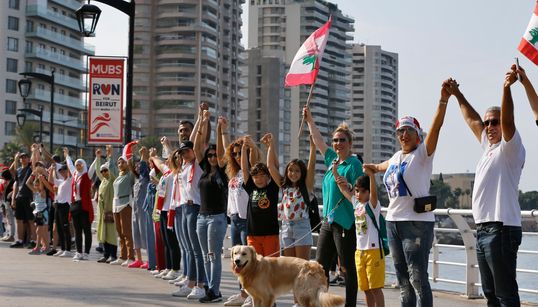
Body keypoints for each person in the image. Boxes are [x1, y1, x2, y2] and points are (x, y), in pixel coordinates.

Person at [364, 80, 450, 307]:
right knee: (403, 280)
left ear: (417, 134)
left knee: (418, 277)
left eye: (408, 131)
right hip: (393, 223)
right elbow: (385, 166)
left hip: (417, 223)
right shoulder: (395, 157)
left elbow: (437, 127)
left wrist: (443, 100)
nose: (403, 135)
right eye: (400, 131)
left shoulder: (422, 154)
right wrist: (373, 167)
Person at [447, 67, 525, 306]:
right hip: (483, 230)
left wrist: (506, 88)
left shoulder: (510, 148)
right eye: (488, 122)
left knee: (505, 295)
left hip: (501, 229)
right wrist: (457, 95)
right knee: (491, 295)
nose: (489, 126)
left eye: (495, 122)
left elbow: (509, 118)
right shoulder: (488, 148)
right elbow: (472, 119)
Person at [304, 106, 362, 307]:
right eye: (335, 140)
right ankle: (322, 303)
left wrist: (347, 185)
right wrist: (310, 120)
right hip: (328, 222)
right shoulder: (332, 160)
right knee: (319, 267)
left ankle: (350, 305)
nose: (338, 143)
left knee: (346, 268)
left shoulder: (353, 164)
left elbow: (358, 194)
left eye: (342, 140)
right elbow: (319, 141)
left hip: (345, 222)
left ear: (350, 143)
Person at [334, 165, 385, 307]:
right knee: (366, 289)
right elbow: (344, 189)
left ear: (368, 192)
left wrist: (371, 176)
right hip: (360, 252)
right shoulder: (357, 205)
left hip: (373, 251)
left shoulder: (373, 206)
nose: (358, 194)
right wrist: (335, 172)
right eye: (357, 190)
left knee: (375, 288)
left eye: (363, 191)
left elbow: (374, 194)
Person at [261, 132, 316, 260]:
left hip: (301, 226)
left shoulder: (306, 187)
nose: (293, 173)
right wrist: (271, 146)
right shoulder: (284, 186)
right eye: (291, 170)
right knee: (290, 267)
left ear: (302, 173)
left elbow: (312, 165)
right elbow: (270, 167)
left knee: (301, 266)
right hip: (286, 226)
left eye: (297, 171)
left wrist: (313, 147)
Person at [241, 136, 280, 257]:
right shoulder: (251, 188)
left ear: (268, 177)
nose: (259, 179)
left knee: (272, 266)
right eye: (256, 176)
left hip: (270, 234)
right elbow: (244, 169)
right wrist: (243, 149)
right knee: (256, 267)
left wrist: (271, 146)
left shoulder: (273, 188)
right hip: (253, 234)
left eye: (262, 175)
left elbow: (273, 166)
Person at [66, 153, 93, 261]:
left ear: (84, 165)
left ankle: (86, 252)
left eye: (80, 165)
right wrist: (67, 155)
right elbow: (70, 166)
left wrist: (98, 157)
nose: (78, 166)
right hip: (75, 205)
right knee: (77, 230)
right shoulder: (75, 175)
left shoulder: (87, 175)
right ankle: (78, 252)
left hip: (84, 205)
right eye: (77, 165)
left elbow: (93, 167)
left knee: (86, 230)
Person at [110, 153, 136, 266]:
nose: (120, 164)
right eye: (119, 163)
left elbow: (133, 169)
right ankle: (122, 255)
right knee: (120, 232)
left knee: (127, 232)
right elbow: (111, 168)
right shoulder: (118, 176)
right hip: (116, 205)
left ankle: (131, 257)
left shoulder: (129, 175)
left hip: (125, 204)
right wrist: (110, 155)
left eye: (123, 162)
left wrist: (130, 161)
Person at [94, 146, 118, 263]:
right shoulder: (103, 180)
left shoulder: (113, 179)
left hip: (111, 211)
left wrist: (110, 155)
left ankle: (113, 255)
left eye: (106, 170)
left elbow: (112, 168)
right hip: (103, 212)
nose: (103, 172)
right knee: (103, 234)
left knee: (111, 234)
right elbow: (97, 170)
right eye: (103, 171)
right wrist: (98, 158)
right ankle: (106, 255)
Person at [9, 152, 35, 248]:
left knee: (30, 220)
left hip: (28, 196)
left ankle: (33, 241)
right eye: (22, 158)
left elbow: (35, 162)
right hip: (19, 197)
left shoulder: (30, 168)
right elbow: (12, 171)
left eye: (25, 157)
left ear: (29, 159)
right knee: (19, 220)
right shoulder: (19, 170)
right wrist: (15, 159)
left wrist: (34, 151)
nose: (23, 159)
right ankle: (20, 241)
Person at [48, 157, 73, 258]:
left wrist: (67, 156)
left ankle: (68, 250)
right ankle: (63, 248)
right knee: (59, 228)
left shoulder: (70, 180)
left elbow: (71, 168)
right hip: (58, 205)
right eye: (61, 171)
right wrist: (53, 169)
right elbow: (51, 179)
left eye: (64, 171)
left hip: (65, 206)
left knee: (65, 228)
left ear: (67, 171)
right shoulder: (61, 181)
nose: (62, 173)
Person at [26, 171, 50, 254]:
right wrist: (32, 174)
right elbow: (27, 183)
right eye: (35, 185)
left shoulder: (42, 192)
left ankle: (37, 248)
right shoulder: (35, 191)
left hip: (42, 213)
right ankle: (46, 247)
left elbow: (41, 187)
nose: (36, 186)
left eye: (37, 185)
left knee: (39, 231)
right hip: (37, 213)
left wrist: (40, 179)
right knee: (42, 232)